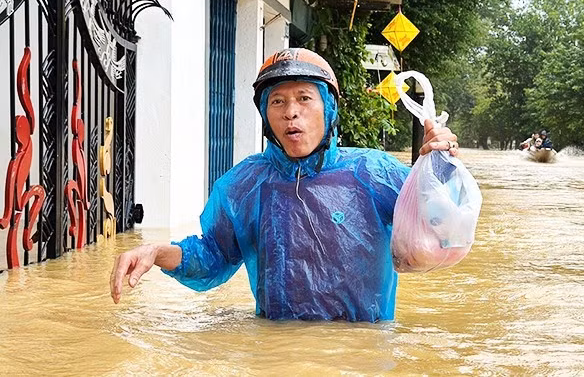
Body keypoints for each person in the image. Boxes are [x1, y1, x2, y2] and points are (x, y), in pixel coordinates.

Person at [109, 48, 459, 322]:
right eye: (278, 101)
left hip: (360, 354)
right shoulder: (244, 185)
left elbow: (439, 234)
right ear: (265, 115)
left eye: (305, 98)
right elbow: (212, 256)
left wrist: (438, 167)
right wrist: (156, 252)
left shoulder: (373, 172)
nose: (291, 112)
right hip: (277, 353)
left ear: (329, 109)